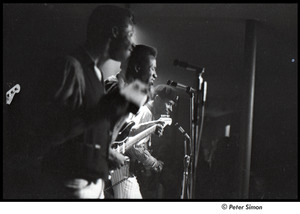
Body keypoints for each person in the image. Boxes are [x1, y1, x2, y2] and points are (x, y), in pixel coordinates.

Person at [23, 5, 150, 199]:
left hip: (91, 187)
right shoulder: (72, 68)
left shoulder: (96, 74)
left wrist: (106, 149)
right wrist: (102, 112)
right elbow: (43, 135)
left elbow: (83, 136)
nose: (132, 44)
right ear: (114, 32)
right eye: (130, 34)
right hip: (69, 187)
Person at [104, 44, 159, 198]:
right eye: (152, 68)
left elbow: (125, 131)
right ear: (136, 68)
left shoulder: (132, 93)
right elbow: (99, 131)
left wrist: (152, 126)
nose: (155, 74)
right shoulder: (113, 87)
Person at [110, 84, 178, 199]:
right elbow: (134, 145)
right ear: (157, 99)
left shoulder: (145, 112)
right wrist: (154, 162)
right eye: (169, 104)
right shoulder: (146, 113)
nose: (170, 109)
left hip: (124, 168)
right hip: (124, 168)